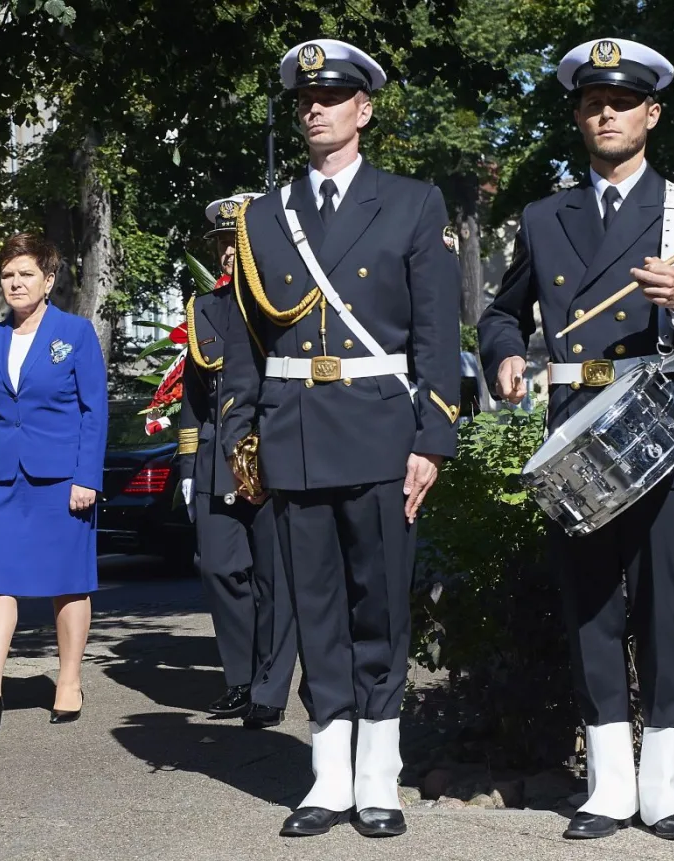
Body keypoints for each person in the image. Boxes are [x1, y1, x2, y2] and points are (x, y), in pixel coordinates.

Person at [478, 39, 674, 841]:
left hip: (664, 430)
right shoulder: (543, 215)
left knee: (666, 610)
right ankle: (607, 785)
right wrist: (502, 355)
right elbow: (503, 311)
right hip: (578, 435)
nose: (608, 113)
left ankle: (665, 785)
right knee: (592, 606)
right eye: (594, 102)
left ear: (652, 114)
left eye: (623, 102)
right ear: (577, 114)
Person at [217, 39, 461, 839]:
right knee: (312, 606)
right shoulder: (262, 215)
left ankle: (377, 773)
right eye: (305, 99)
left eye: (332, 97)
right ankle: (326, 772)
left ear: (364, 110)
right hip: (294, 434)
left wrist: (433, 438)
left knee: (379, 606)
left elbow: (435, 335)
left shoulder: (413, 203)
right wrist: (239, 435)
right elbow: (247, 343)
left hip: (382, 432)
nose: (314, 108)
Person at [0, 233, 108, 730]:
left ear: (49, 279)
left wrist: (87, 477)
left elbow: (93, 412)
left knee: (68, 584)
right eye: (7, 275)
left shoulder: (76, 333)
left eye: (25, 274)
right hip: (1, 478)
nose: (15, 283)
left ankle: (68, 680)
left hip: (62, 480)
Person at [177, 194, 297, 730]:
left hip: (275, 456)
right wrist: (187, 468)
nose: (230, 254)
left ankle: (270, 688)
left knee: (275, 577)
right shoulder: (204, 309)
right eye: (225, 245)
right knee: (222, 570)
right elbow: (194, 398)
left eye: (239, 243)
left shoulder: (282, 307)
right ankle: (240, 678)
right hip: (217, 460)